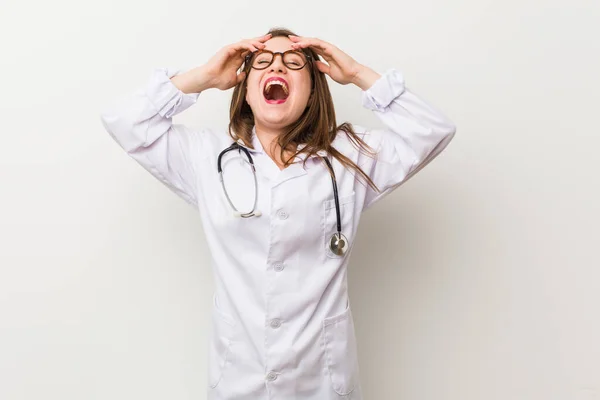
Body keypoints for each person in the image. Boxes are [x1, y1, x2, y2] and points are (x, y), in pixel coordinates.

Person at [100, 27, 456, 400]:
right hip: (240, 378)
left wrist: (356, 73)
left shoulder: (349, 156)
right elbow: (124, 122)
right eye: (264, 63)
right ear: (246, 89)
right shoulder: (206, 158)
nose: (278, 68)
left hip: (321, 381)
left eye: (293, 63)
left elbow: (433, 131)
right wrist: (203, 77)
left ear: (313, 89)